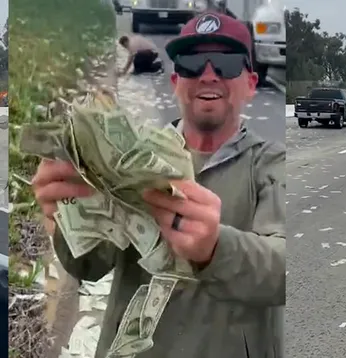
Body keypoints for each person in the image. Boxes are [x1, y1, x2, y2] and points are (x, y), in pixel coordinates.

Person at [32, 11, 285, 358]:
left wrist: (216, 247)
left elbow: (284, 270)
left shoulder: (273, 163)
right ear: (175, 81)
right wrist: (63, 220)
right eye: (193, 63)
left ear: (251, 84)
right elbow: (90, 266)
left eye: (225, 63)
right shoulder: (127, 157)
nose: (208, 75)